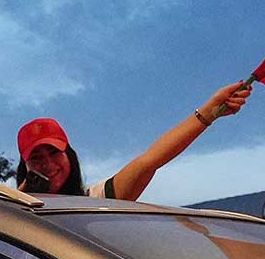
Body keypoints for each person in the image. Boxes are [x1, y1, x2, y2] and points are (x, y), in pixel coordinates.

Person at [15, 81, 251, 201]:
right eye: (36, 158)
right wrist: (20, 200)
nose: (48, 163)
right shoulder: (6, 212)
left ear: (69, 156)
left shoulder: (95, 202)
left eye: (54, 152)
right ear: (25, 168)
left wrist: (208, 113)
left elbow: (150, 161)